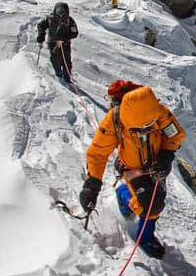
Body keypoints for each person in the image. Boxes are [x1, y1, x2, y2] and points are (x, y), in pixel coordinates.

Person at [79, 80, 186, 258]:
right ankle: (145, 237)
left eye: (149, 126)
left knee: (158, 196)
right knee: (151, 207)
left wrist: (166, 155)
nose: (145, 130)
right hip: (132, 168)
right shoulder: (115, 120)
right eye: (139, 129)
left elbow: (175, 135)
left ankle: (123, 193)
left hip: (156, 165)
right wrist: (92, 184)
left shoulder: (159, 112)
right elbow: (98, 153)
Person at [37, 2, 78, 83]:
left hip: (65, 44)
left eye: (63, 12)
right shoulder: (50, 19)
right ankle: (58, 74)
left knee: (66, 62)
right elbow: (41, 25)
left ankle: (67, 78)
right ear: (55, 11)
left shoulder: (70, 20)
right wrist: (41, 35)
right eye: (59, 12)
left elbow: (75, 33)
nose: (61, 15)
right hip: (53, 43)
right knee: (55, 60)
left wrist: (64, 39)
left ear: (67, 12)